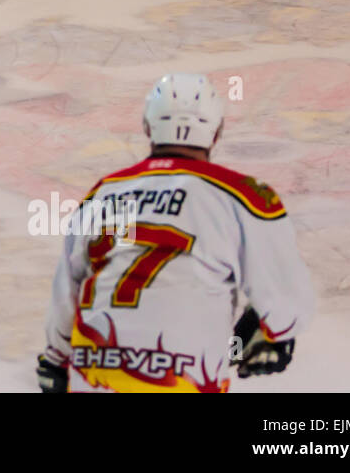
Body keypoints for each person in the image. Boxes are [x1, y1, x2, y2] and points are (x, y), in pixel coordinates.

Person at [36, 73, 315, 393]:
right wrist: (274, 335)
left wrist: (55, 360)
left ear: (147, 127)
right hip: (179, 382)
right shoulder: (243, 196)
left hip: (95, 377)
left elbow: (65, 293)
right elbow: (288, 306)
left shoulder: (103, 193)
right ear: (217, 131)